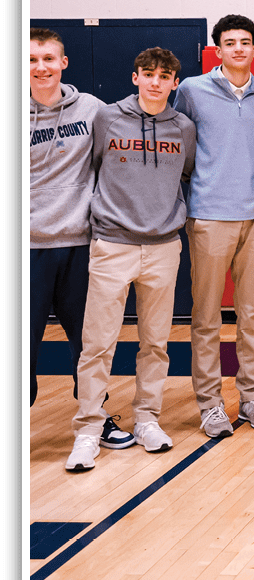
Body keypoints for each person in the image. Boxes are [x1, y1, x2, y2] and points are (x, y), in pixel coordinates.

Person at [65, 48, 197, 471]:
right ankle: (88, 428)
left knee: (155, 344)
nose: (157, 82)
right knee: (97, 344)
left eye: (165, 76)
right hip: (112, 244)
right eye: (149, 74)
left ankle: (147, 419)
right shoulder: (107, 118)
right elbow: (92, 167)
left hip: (163, 246)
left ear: (175, 82)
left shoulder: (184, 127)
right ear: (135, 77)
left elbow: (187, 174)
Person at [31, 28, 134, 451]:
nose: (41, 68)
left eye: (48, 59)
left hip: (80, 246)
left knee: (88, 343)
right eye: (32, 60)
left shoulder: (91, 109)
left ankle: (95, 418)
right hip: (29, 250)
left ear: (64, 63)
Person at [174, 14, 254, 438]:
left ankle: (253, 395)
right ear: (217, 50)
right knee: (206, 316)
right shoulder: (192, 90)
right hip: (210, 217)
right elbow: (176, 143)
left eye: (245, 42)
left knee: (252, 314)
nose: (238, 48)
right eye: (230, 42)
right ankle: (211, 403)